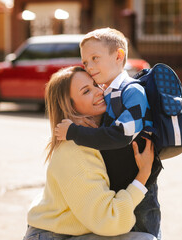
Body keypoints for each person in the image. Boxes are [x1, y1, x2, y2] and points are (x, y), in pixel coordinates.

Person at [23, 66, 157, 240]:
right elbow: (109, 220)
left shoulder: (99, 136)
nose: (99, 91)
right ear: (70, 106)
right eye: (86, 91)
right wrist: (143, 175)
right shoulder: (75, 152)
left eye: (96, 84)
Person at [55, 28, 162, 239]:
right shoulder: (108, 93)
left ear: (119, 56)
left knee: (146, 233)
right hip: (123, 186)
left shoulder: (132, 91)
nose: (90, 67)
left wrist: (74, 132)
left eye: (95, 58)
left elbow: (119, 135)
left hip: (141, 187)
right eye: (86, 62)